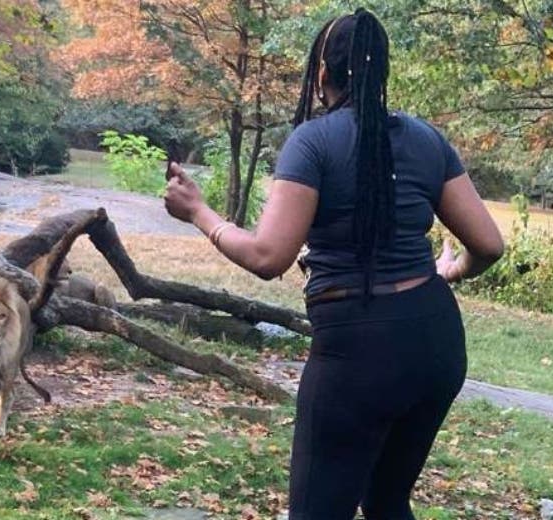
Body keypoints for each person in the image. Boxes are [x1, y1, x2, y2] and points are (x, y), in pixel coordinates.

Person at [163, 8, 504, 520]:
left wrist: (198, 212)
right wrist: (451, 271)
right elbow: (490, 245)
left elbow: (267, 256)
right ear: (382, 72)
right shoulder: (426, 139)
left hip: (359, 352)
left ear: (322, 75)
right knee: (387, 501)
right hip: (436, 344)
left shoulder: (314, 141)